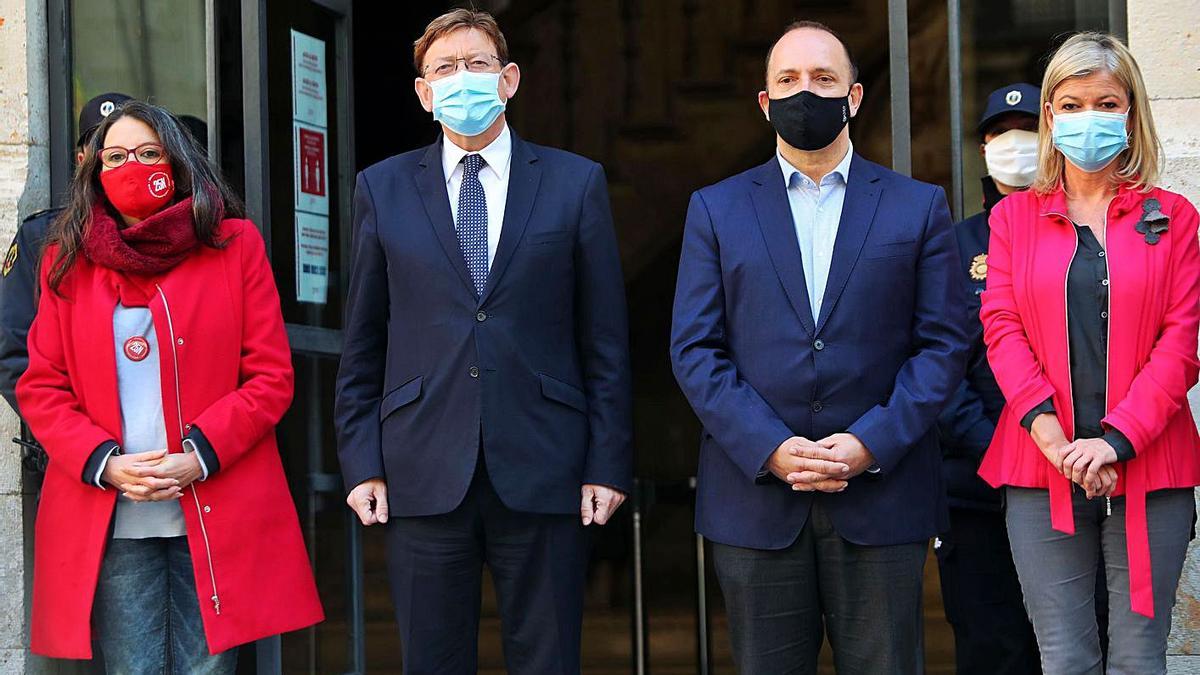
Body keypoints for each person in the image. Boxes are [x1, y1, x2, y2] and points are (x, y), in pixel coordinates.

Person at [334, 9, 632, 674]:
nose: (461, 79)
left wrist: (606, 462)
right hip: (422, 466)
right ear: (422, 92)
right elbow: (363, 341)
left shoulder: (574, 182)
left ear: (509, 79)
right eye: (444, 68)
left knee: (549, 658)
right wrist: (361, 459)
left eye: (476, 64)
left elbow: (604, 340)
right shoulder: (381, 189)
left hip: (547, 464)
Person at [670, 20, 968, 675]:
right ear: (765, 100)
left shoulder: (917, 207)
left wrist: (873, 442)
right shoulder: (715, 209)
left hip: (882, 502)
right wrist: (768, 446)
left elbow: (944, 344)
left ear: (855, 97)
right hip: (756, 504)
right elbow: (695, 349)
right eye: (789, 80)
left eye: (824, 79)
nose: (806, 91)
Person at [16, 101, 324, 671]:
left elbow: (270, 375)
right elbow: (42, 387)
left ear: (178, 164)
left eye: (149, 153)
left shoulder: (233, 245)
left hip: (215, 507)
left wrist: (199, 456)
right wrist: (105, 463)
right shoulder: (65, 259)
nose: (132, 166)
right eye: (116, 156)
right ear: (96, 170)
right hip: (113, 516)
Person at [978, 32, 1200, 674]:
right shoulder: (1013, 219)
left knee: (1137, 659)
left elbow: (1180, 345)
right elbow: (1002, 330)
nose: (1089, 118)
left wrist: (1116, 441)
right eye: (1071, 104)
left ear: (1131, 113)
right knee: (1065, 659)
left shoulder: (1173, 217)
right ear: (1050, 116)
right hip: (1038, 463)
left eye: (1106, 103)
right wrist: (1058, 444)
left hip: (1151, 465)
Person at [935, 82, 1042, 675]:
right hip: (977, 488)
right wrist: (1003, 449)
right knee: (990, 645)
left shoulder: (1081, 234)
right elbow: (941, 367)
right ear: (982, 149)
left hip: (1065, 485)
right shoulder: (953, 246)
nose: (1014, 144)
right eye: (1000, 133)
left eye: (1027, 131)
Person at [0, 93, 132, 474]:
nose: (117, 161)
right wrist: (76, 442)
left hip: (166, 464)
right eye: (105, 149)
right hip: (75, 461)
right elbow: (14, 355)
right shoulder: (43, 236)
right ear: (82, 160)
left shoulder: (170, 234)